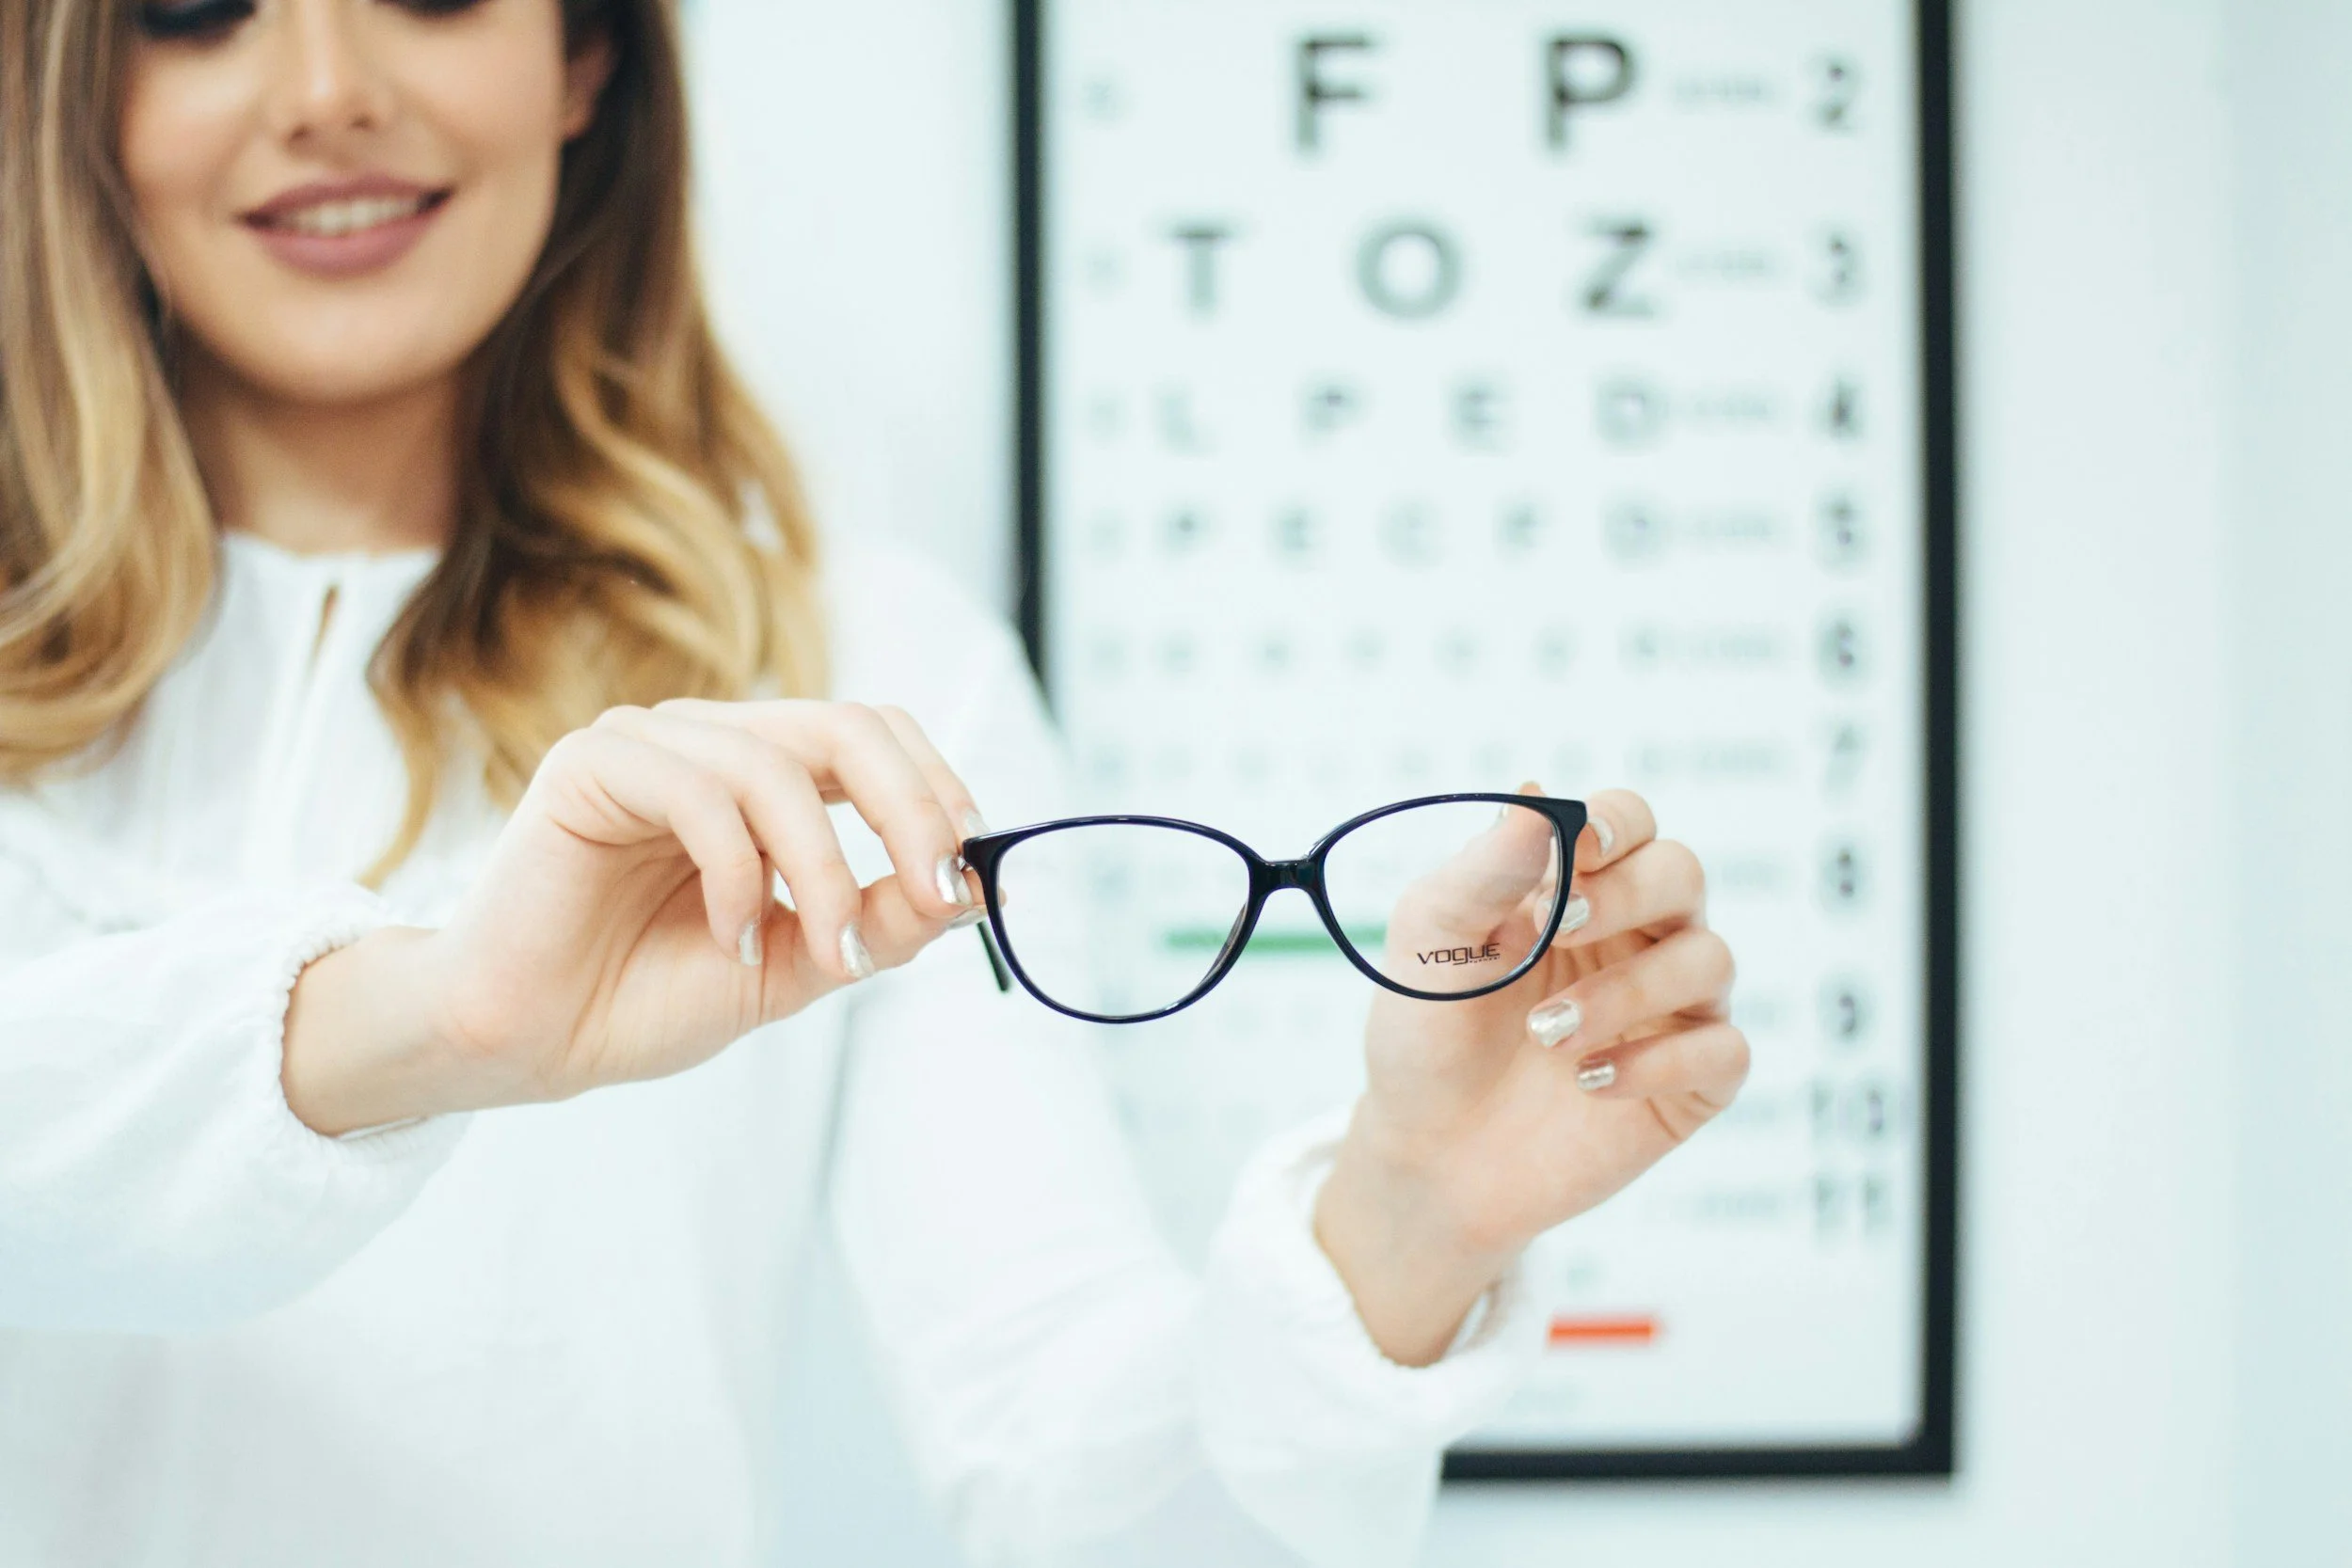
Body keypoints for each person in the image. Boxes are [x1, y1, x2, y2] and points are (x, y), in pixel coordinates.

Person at [0, 2, 1749, 1564]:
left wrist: (1397, 1236)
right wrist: (448, 1012)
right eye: (194, 9)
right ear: (71, 85)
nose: (325, 89)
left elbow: (1082, 1485)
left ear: (585, 56)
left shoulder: (869, 680)